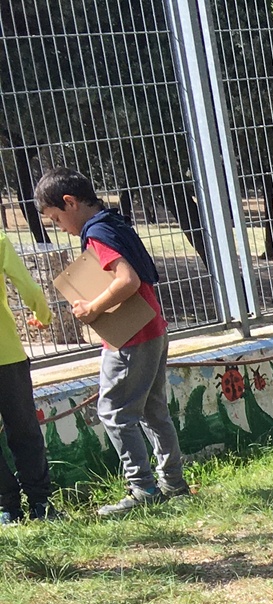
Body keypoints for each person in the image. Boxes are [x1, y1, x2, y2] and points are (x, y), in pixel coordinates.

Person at [34, 170, 188, 515]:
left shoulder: (97, 233)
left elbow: (127, 281)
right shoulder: (114, 223)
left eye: (56, 218)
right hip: (152, 328)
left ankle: (143, 488)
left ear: (70, 203)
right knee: (153, 411)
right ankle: (173, 484)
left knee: (114, 413)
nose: (59, 226)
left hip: (131, 336)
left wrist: (92, 308)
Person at [0, 237, 55, 525]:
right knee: (24, 430)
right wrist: (42, 315)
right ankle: (40, 502)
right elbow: (28, 287)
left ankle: (6, 507)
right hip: (7, 354)